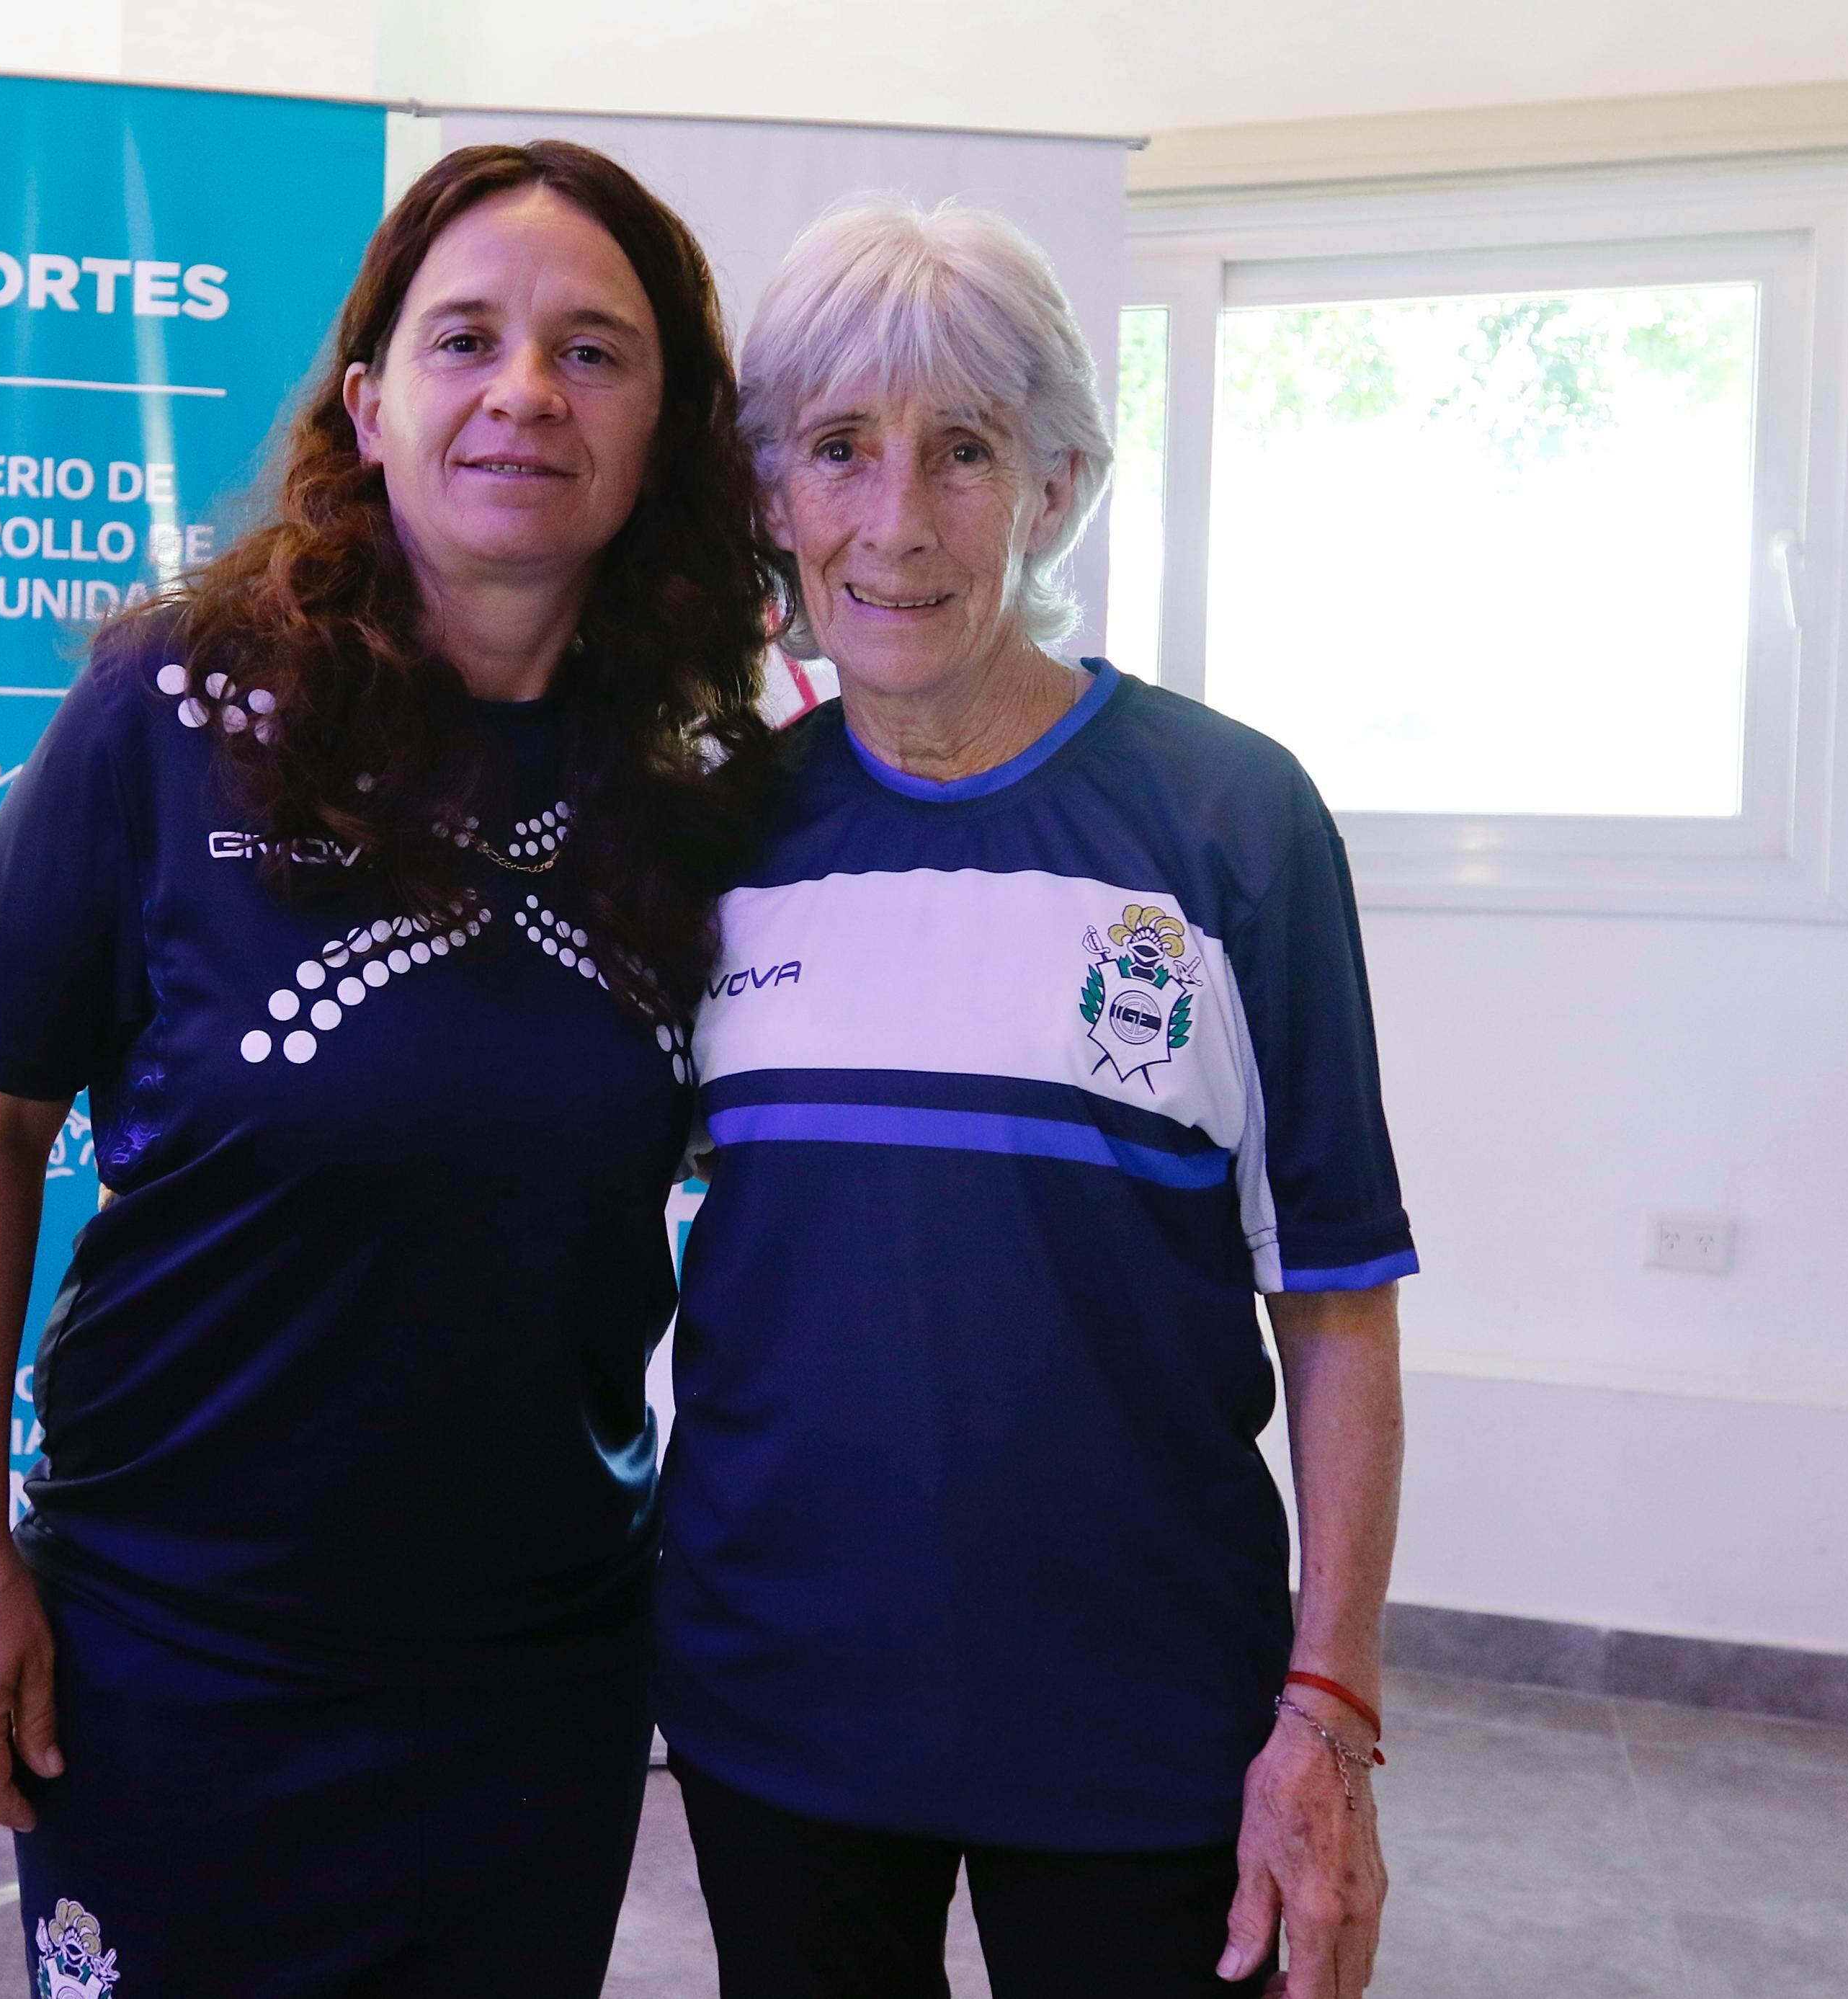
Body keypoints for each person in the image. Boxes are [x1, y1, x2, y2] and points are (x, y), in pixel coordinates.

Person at [0, 141, 777, 1999]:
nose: (525, 390)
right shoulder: (176, 709)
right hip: (174, 1661)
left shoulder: (700, 796)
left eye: (593, 351)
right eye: (467, 339)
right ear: (373, 406)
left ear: (663, 425)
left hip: (536, 1674)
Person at [656, 197, 1415, 1999]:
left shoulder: (1232, 826)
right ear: (770, 494)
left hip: (1143, 1720)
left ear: (1058, 487)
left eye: (965, 453)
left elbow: (1336, 1304)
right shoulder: (712, 839)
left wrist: (1327, 1714)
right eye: (838, 449)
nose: (896, 521)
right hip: (786, 1711)